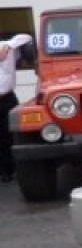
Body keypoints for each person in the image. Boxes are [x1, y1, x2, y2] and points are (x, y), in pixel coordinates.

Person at [0, 33, 33, 182]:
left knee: (10, 135)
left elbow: (27, 38)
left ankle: (11, 169)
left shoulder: (6, 47)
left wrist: (9, 45)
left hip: (6, 98)